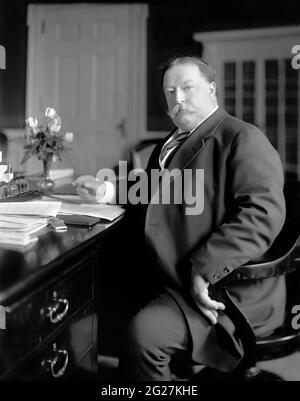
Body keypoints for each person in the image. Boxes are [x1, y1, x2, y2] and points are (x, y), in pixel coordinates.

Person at [73, 56, 286, 381]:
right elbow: (154, 189)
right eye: (170, 92)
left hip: (226, 290)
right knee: (95, 301)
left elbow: (263, 213)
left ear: (212, 89)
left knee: (144, 336)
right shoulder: (173, 141)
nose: (178, 99)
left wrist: (205, 268)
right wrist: (106, 190)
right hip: (172, 272)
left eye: (188, 88)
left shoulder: (242, 138)